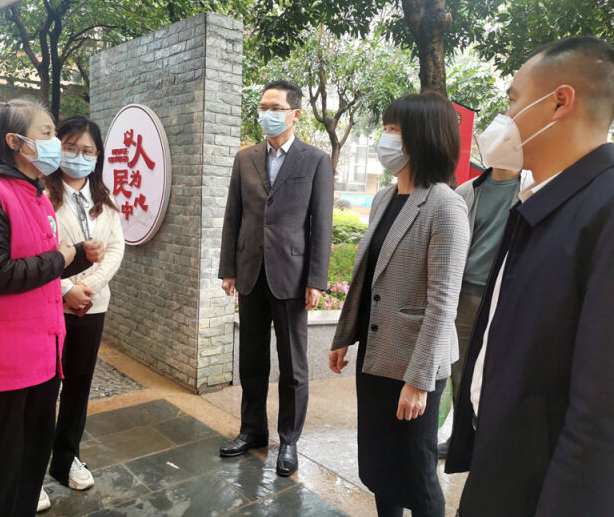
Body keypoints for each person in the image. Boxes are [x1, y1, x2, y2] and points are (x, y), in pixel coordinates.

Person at [446, 36, 614, 516]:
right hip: (504, 457)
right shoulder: (544, 198)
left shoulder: (604, 210)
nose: (506, 117)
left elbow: (600, 410)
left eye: (513, 100)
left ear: (560, 101)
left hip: (544, 486)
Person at [0, 99, 103, 517]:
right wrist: (63, 257)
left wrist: (77, 255)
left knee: (30, 464)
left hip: (39, 355)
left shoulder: (35, 192)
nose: (56, 144)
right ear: (15, 142)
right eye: (47, 133)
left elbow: (38, 264)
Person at [329, 92, 469, 517]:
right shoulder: (384, 198)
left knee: (416, 472)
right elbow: (367, 276)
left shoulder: (445, 206)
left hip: (414, 363)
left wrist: (418, 382)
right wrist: (344, 337)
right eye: (386, 128)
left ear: (422, 138)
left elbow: (442, 304)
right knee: (380, 466)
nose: (385, 139)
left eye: (394, 130)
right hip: (376, 355)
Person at [218, 80, 334, 476]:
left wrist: (316, 279)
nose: (267, 113)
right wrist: (228, 268)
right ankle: (252, 430)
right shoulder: (245, 158)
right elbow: (233, 215)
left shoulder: (315, 160)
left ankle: (289, 440)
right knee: (251, 360)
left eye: (275, 107)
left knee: (293, 366)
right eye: (263, 106)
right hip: (251, 272)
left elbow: (322, 225)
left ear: (295, 114)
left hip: (292, 276)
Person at [43, 116, 124, 499]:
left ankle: (66, 458)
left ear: (98, 155)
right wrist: (65, 290)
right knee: (43, 389)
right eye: (70, 147)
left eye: (87, 150)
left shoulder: (106, 199)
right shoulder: (41, 194)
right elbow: (36, 253)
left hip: (92, 306)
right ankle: (30, 468)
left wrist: (86, 289)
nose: (78, 156)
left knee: (78, 385)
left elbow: (115, 249)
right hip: (49, 307)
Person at [437, 164, 532, 459]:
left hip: (509, 297)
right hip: (466, 296)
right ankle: (461, 438)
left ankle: (492, 440)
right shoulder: (468, 191)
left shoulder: (532, 187)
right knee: (461, 372)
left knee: (501, 372)